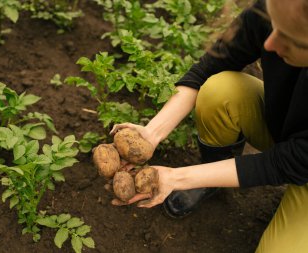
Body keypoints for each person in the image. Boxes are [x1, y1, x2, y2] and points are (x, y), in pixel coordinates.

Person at [109, 0, 308, 252]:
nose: (269, 44)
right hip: (291, 135)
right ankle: (211, 179)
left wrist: (177, 177)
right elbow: (207, 69)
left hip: (301, 160)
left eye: (294, 39)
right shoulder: (282, 7)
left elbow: (287, 163)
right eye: (274, 25)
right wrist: (151, 134)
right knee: (218, 90)